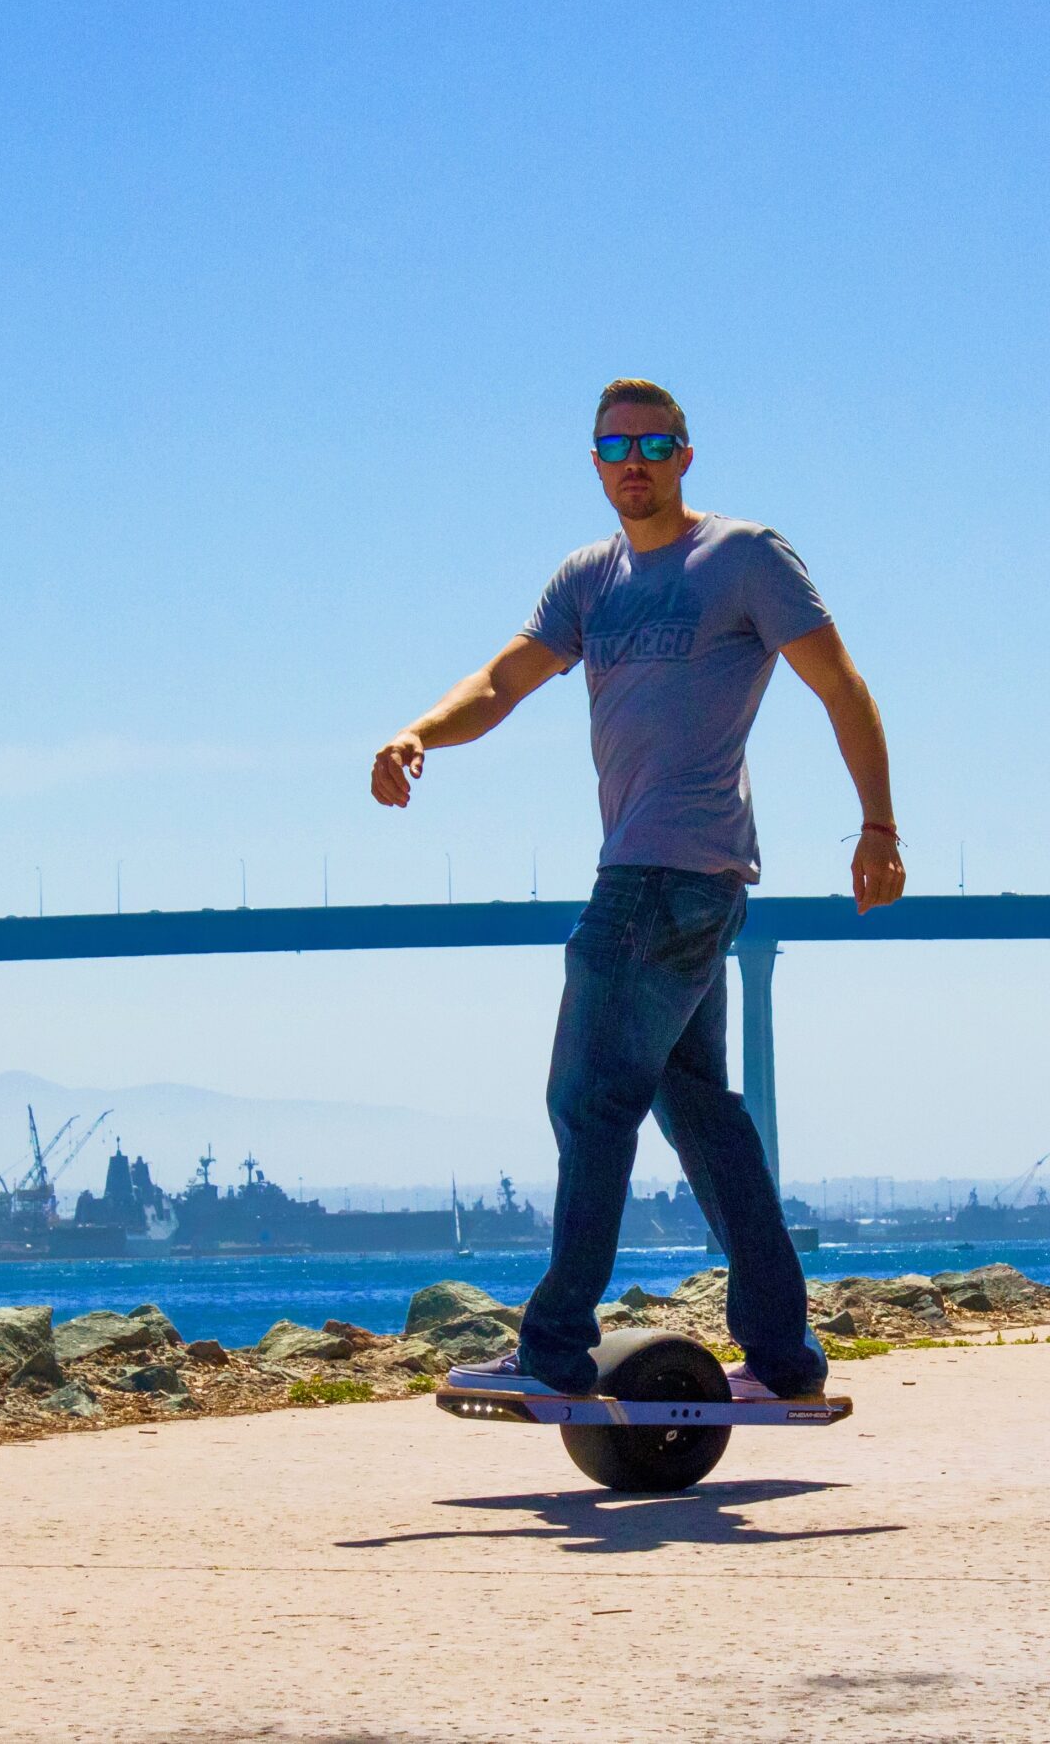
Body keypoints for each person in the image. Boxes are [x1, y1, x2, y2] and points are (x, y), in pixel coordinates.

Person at [369, 377, 904, 1401]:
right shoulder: (589, 578)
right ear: (594, 462)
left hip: (664, 879)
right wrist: (417, 733)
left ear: (685, 456)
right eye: (616, 447)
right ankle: (783, 1357)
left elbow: (840, 684)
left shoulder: (744, 558)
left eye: (655, 445)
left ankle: (555, 1349)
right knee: (700, 1113)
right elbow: (502, 681)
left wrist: (877, 825)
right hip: (679, 884)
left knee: (588, 1098)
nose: (635, 463)